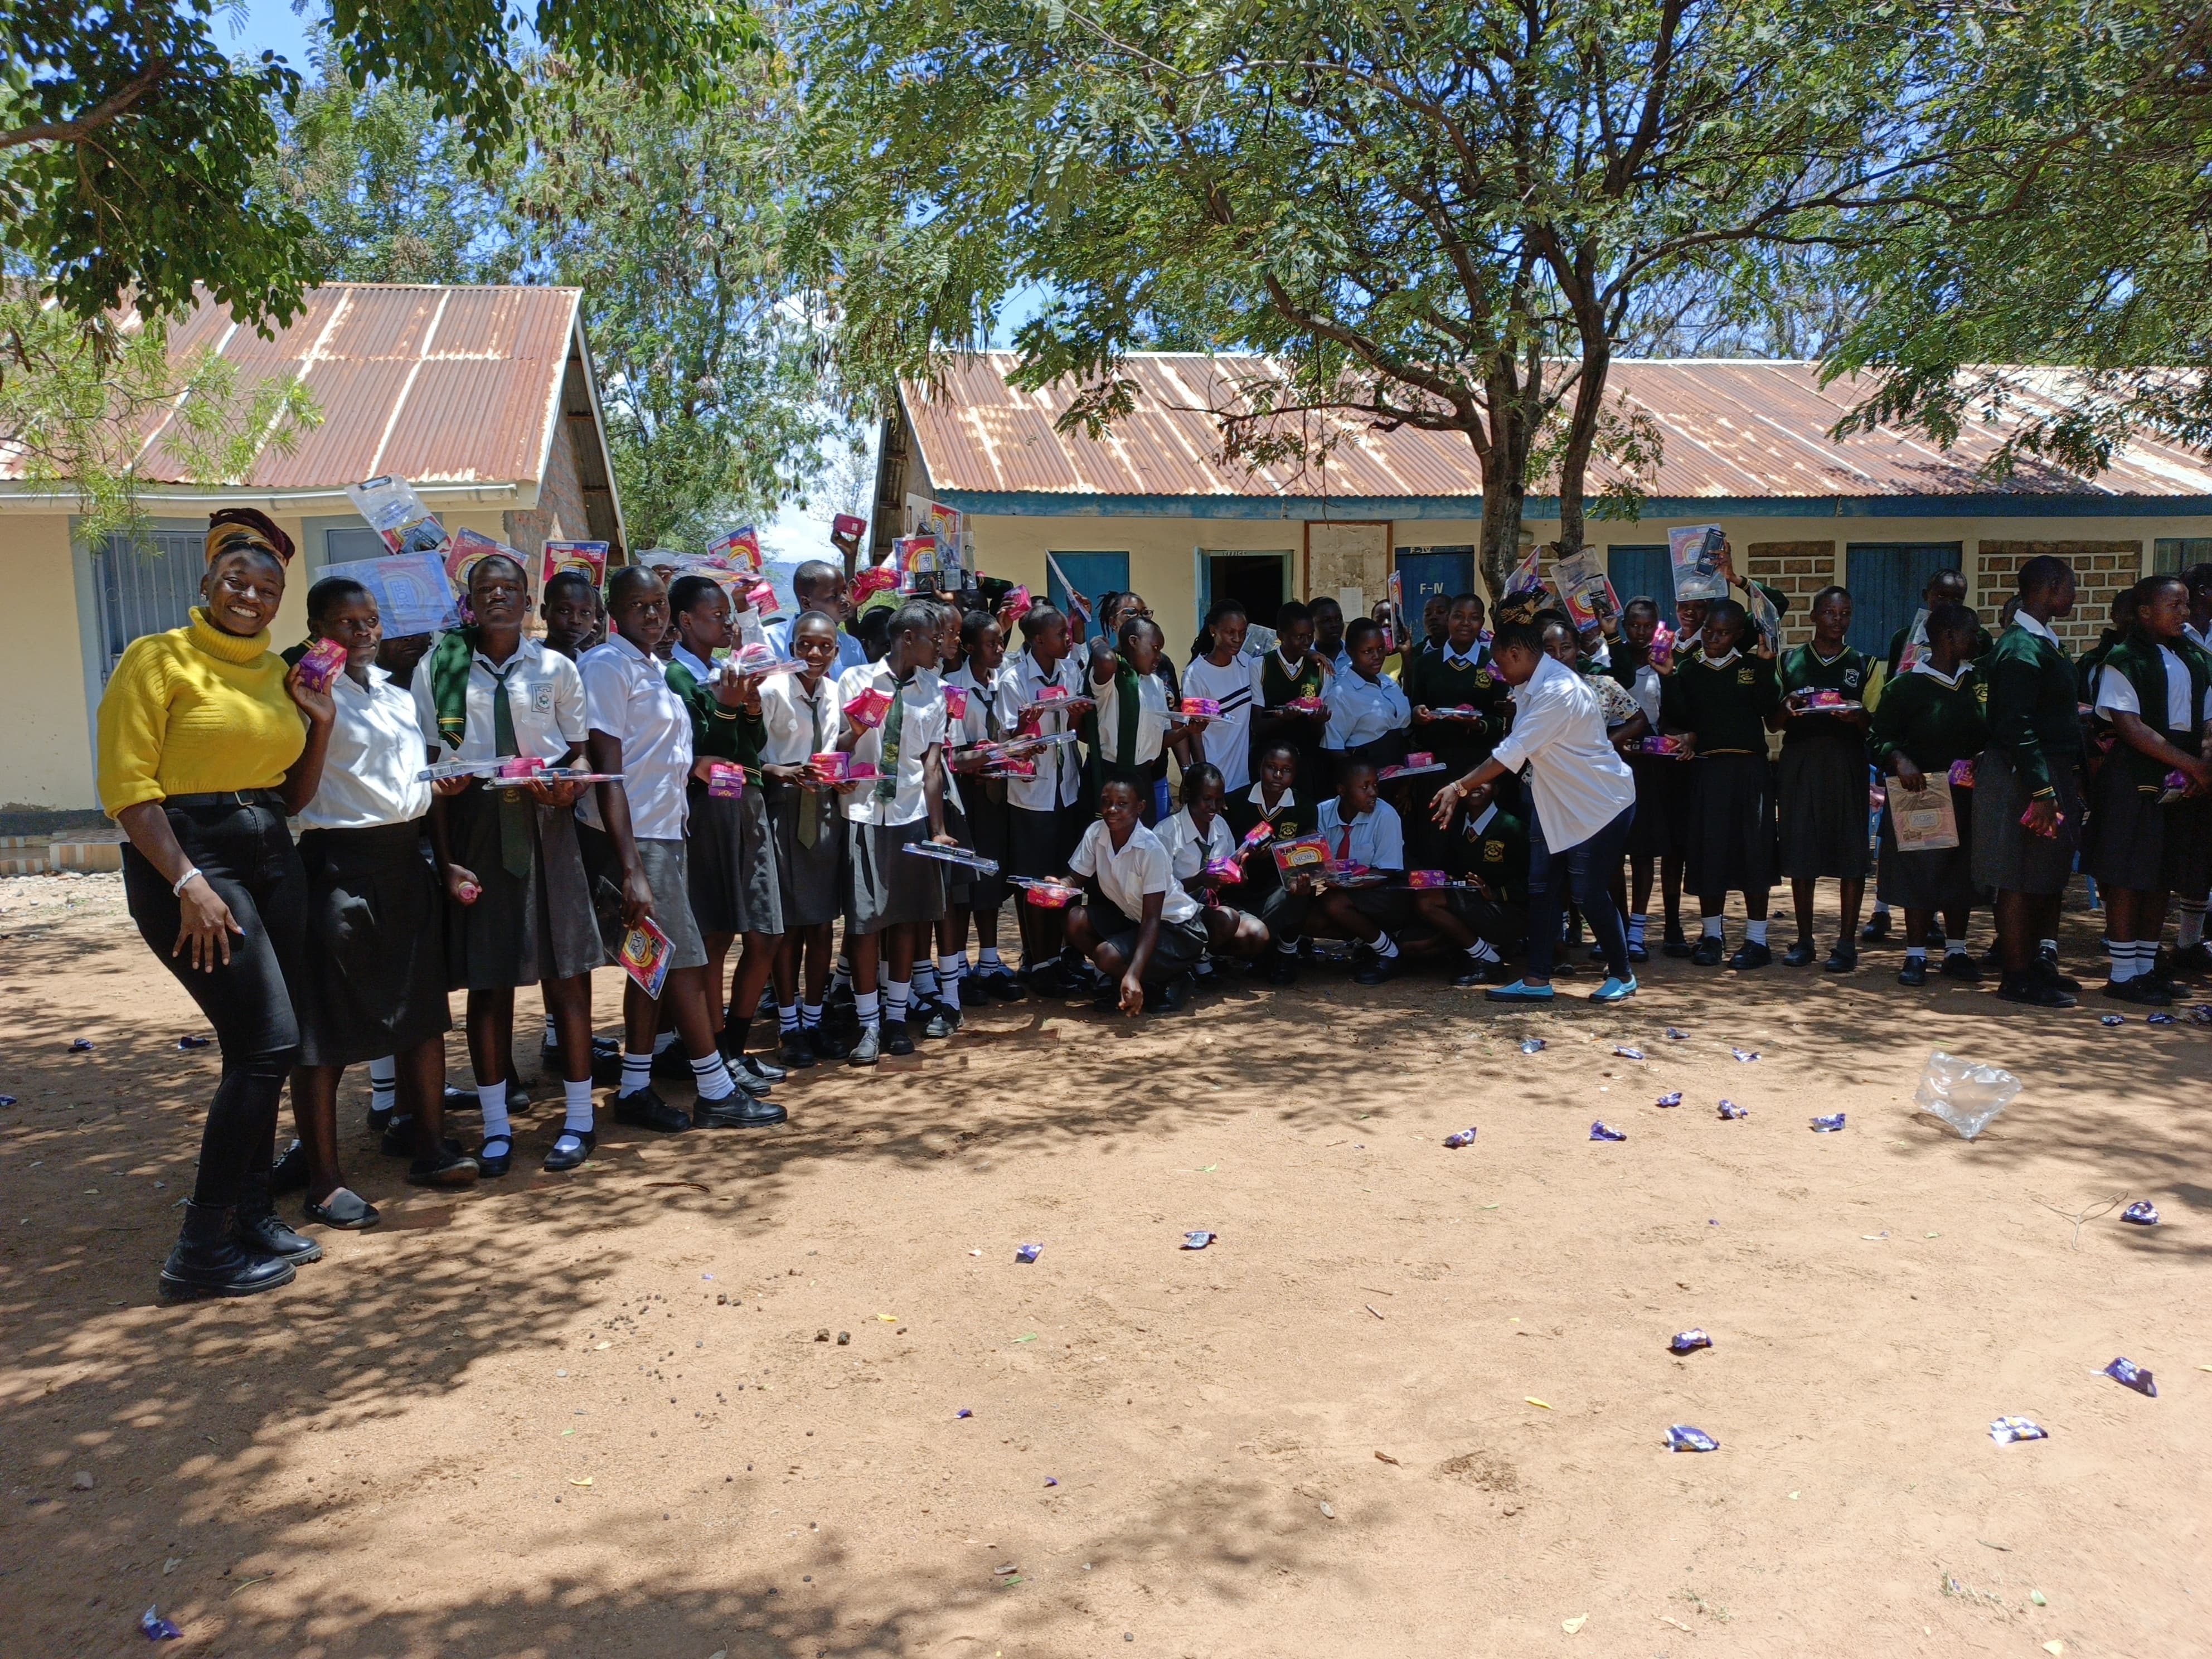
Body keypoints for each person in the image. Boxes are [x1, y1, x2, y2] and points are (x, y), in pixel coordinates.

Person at [99, 509, 327, 1300]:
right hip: (192, 861)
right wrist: (187, 882)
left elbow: (293, 795)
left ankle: (254, 1215)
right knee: (263, 1045)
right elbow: (128, 790)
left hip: (271, 850)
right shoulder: (155, 659)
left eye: (268, 588)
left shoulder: (276, 676)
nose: (252, 597)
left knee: (272, 1043)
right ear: (206, 581)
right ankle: (200, 1250)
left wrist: (319, 726)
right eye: (237, 580)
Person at [285, 577, 477, 1231]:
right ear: (318, 630)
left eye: (370, 621)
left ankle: (428, 1147)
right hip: (339, 864)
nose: (363, 632)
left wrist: (438, 794)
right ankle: (323, 1182)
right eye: (346, 622)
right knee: (328, 1032)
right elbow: (294, 798)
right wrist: (319, 721)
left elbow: (406, 783)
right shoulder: (305, 696)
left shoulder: (398, 698)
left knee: (422, 1019)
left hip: (404, 866)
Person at [579, 565, 784, 1143]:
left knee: (650, 966)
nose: (652, 614)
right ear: (613, 612)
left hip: (666, 833)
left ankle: (636, 1088)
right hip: (636, 840)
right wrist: (631, 869)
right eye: (638, 605)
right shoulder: (605, 666)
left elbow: (656, 753)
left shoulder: (650, 668)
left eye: (657, 605)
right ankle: (716, 1091)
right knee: (687, 962)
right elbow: (609, 771)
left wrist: (691, 766)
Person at [423, 555, 605, 1176]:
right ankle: (497, 1128)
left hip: (546, 825)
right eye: (484, 589)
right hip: (476, 827)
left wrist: (571, 788)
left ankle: (579, 1117)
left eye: (509, 589)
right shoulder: (440, 668)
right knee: (489, 983)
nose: (497, 597)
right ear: (468, 602)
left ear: (528, 602)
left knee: (568, 977)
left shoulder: (555, 668)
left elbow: (579, 757)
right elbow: (432, 768)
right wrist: (446, 860)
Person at [1430, 619, 1640, 1003]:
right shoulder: (1533, 685)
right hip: (1555, 802)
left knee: (1588, 892)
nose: (1499, 674)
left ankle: (1623, 975)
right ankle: (1537, 980)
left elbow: (1511, 754)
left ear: (1515, 655)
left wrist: (1460, 787)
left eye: (1500, 665)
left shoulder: (1557, 691)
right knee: (1542, 889)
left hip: (1600, 803)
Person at [664, 576, 788, 1086]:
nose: (727, 624)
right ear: (687, 621)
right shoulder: (674, 676)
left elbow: (748, 745)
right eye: (716, 616)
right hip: (710, 809)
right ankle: (716, 1055)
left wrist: (750, 707)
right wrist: (728, 705)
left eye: (728, 615)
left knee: (767, 932)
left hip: (747, 801)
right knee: (715, 936)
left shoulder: (723, 672)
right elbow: (700, 746)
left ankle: (736, 1044)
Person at [836, 599, 961, 1061]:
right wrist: (853, 730)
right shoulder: (855, 681)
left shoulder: (935, 692)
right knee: (867, 922)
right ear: (909, 638)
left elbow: (932, 766)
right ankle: (867, 1024)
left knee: (908, 919)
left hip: (909, 815)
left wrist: (938, 829)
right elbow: (837, 749)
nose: (942, 649)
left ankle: (894, 1017)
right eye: (934, 639)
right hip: (864, 813)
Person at [2087, 574, 2212, 1003]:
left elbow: (2208, 717)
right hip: (2134, 780)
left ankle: (2146, 965)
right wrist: (2193, 765)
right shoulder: (2124, 659)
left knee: (2160, 873)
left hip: (2183, 780)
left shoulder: (2195, 657)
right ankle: (2122, 973)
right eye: (2174, 606)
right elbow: (2130, 726)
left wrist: (2205, 763)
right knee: (2127, 873)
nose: (2185, 613)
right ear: (2144, 612)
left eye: (2187, 605)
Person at [1972, 557, 2086, 1005]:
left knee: (2045, 874)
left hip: (2046, 770)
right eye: (2072, 587)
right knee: (2019, 875)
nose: (2075, 597)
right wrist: (2042, 791)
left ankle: (2036, 965)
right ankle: (2016, 977)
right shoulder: (2021, 648)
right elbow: (2016, 726)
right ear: (2052, 586)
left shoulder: (2043, 640)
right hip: (2025, 774)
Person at [1657, 599, 1781, 970]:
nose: (1713, 638)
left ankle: (1758, 941)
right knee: (1709, 853)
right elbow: (1675, 717)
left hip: (1750, 772)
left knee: (1754, 852)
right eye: (1708, 630)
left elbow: (1768, 709)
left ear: (1738, 635)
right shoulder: (1689, 669)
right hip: (1707, 771)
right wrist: (1667, 676)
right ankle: (1712, 936)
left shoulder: (1750, 666)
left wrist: (1765, 665)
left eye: (1723, 633)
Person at [1870, 601, 1989, 987]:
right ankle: (1916, 954)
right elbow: (1878, 738)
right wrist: (1899, 759)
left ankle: (1957, 950)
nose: (1979, 638)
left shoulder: (1980, 684)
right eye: (1972, 632)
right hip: (1920, 792)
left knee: (1961, 873)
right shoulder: (1905, 687)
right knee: (1920, 874)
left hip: (1969, 792)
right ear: (1949, 637)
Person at [1774, 586, 1875, 971]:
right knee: (1801, 851)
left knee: (1851, 852)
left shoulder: (1864, 664)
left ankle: (1847, 943)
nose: (1838, 621)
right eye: (1831, 614)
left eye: (1845, 614)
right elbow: (1773, 720)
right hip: (1800, 762)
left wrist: (1857, 715)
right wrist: (1787, 708)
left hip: (1846, 762)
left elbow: (1874, 723)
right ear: (1815, 616)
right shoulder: (1791, 662)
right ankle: (1803, 941)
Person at [998, 602, 1091, 995]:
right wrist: (1026, 728)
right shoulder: (1014, 680)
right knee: (1036, 883)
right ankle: (1039, 963)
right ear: (1038, 640)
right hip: (1032, 796)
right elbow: (1007, 742)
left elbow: (1076, 730)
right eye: (1060, 634)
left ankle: (1064, 957)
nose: (1067, 639)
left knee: (1064, 879)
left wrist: (1076, 714)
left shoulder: (1070, 670)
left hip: (1067, 788)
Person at [1064, 776, 1212, 1013]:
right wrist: (1059, 886)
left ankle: (1169, 977)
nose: (1112, 809)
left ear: (1140, 807)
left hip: (1178, 929)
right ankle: (1139, 982)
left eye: (1122, 804)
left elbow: (1152, 919)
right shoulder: (1096, 833)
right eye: (1106, 802)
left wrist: (1132, 974)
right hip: (1135, 919)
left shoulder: (1151, 850)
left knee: (1106, 955)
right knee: (1075, 920)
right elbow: (1075, 878)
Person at [944, 607, 1021, 1003]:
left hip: (997, 793)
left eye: (1001, 642)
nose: (999, 649)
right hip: (966, 796)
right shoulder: (954, 689)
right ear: (970, 647)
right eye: (990, 643)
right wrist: (986, 754)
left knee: (991, 878)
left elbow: (1009, 732)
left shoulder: (1003, 683)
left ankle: (989, 962)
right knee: (964, 885)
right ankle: (956, 969)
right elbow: (952, 753)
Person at [1399, 593, 1510, 861]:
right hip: (1436, 767)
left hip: (1478, 767)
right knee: (1436, 839)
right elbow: (1413, 709)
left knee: (1471, 840)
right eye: (1458, 616)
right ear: (1449, 619)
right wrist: (1418, 714)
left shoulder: (1493, 663)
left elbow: (1501, 720)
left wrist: (1479, 724)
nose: (1465, 623)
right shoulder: (1426, 663)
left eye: (1473, 618)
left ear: (1482, 623)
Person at [1609, 598, 1689, 960]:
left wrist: (1668, 673)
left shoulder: (1666, 661)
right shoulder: (1613, 658)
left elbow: (1677, 713)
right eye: (1634, 625)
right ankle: (1616, 928)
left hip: (1651, 767)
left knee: (1643, 852)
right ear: (1625, 625)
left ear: (1658, 626)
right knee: (1611, 852)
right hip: (1611, 761)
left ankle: (1638, 930)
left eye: (1648, 626)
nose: (1640, 632)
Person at [1415, 778, 1530, 986]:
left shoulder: (1512, 827)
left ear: (1496, 790)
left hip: (1509, 912)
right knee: (1413, 944)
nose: (1476, 786)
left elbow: (1533, 881)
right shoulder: (1455, 824)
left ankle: (1489, 961)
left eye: (1485, 782)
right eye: (1470, 783)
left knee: (1428, 902)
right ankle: (1480, 951)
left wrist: (1496, 893)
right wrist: (1451, 879)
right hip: (1472, 906)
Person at [1157, 761, 1270, 968]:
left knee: (1258, 935)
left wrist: (1238, 875)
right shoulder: (1166, 833)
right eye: (1207, 799)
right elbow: (1158, 891)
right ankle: (1187, 963)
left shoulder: (1220, 825)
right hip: (1177, 911)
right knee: (1227, 918)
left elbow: (1228, 875)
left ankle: (1203, 957)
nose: (1213, 807)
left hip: (1213, 906)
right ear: (1189, 794)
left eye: (1218, 800)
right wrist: (1199, 880)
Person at [1085, 614, 1187, 824]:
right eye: (1155, 648)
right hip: (1109, 774)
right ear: (1133, 642)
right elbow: (1105, 659)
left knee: (1141, 844)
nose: (1159, 656)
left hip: (1142, 778)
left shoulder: (1156, 686)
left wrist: (1188, 730)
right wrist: (1097, 641)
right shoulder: (1111, 679)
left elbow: (1159, 740)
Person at [1253, 600, 1331, 803]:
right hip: (1269, 765)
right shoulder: (1260, 667)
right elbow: (1257, 725)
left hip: (1306, 763)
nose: (1307, 642)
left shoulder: (1321, 670)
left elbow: (1319, 734)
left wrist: (1319, 721)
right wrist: (1283, 718)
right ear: (1281, 636)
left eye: (1310, 636)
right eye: (1299, 637)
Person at [1182, 600, 1258, 794]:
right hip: (1214, 779)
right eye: (1230, 632)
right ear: (1213, 630)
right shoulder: (1195, 674)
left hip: (1242, 778)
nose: (1237, 639)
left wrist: (1309, 654)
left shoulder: (1246, 662)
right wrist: (1204, 776)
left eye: (1242, 633)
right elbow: (1195, 731)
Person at [1323, 617, 1413, 779]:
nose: (1377, 656)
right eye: (1368, 651)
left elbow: (1403, 725)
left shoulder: (1388, 682)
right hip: (1367, 784)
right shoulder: (1341, 694)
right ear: (1350, 651)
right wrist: (1367, 781)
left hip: (1402, 777)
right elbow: (1333, 749)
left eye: (1381, 648)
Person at [766, 560, 869, 673]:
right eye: (833, 596)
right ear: (807, 603)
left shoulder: (852, 646)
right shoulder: (770, 641)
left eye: (844, 591)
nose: (845, 600)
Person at [1311, 595, 1349, 673]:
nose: (1334, 625)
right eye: (1326, 620)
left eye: (1339, 619)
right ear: (1311, 624)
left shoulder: (1354, 655)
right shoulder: (1305, 658)